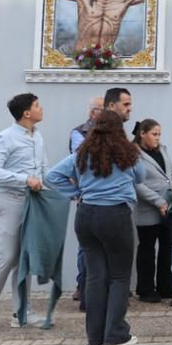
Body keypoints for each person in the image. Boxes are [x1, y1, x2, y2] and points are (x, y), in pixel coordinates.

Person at [43, 110, 144, 345]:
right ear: (119, 129)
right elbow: (140, 177)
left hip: (86, 215)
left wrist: (76, 193)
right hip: (116, 215)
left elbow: (52, 177)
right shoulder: (129, 153)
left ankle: (95, 335)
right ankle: (115, 334)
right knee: (119, 276)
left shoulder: (82, 153)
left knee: (96, 276)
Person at [0, 93, 47, 333]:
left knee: (24, 258)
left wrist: (53, 189)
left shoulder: (37, 137)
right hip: (7, 201)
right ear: (26, 113)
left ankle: (22, 312)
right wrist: (24, 179)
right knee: (6, 256)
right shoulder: (5, 138)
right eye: (37, 105)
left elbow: (43, 169)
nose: (41, 108)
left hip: (31, 203)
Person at [131, 118, 172, 302]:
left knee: (166, 248)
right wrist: (158, 201)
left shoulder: (163, 150)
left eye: (159, 134)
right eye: (154, 134)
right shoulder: (134, 154)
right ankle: (146, 289)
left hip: (168, 208)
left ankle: (165, 286)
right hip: (148, 209)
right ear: (142, 134)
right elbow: (137, 184)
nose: (157, 138)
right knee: (147, 250)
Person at [69, 95, 104, 307]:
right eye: (102, 109)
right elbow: (80, 157)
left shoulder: (113, 133)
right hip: (87, 196)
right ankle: (82, 286)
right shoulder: (79, 133)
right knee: (86, 246)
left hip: (106, 197)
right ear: (93, 113)